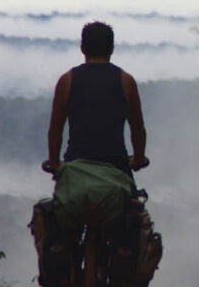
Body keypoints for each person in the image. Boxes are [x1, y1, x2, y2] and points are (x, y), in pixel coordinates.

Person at [47, 21, 147, 175]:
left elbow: (55, 131)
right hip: (117, 166)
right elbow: (137, 129)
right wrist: (138, 159)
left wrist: (54, 163)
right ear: (112, 49)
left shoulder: (66, 80)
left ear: (82, 48)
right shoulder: (126, 81)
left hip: (75, 167)